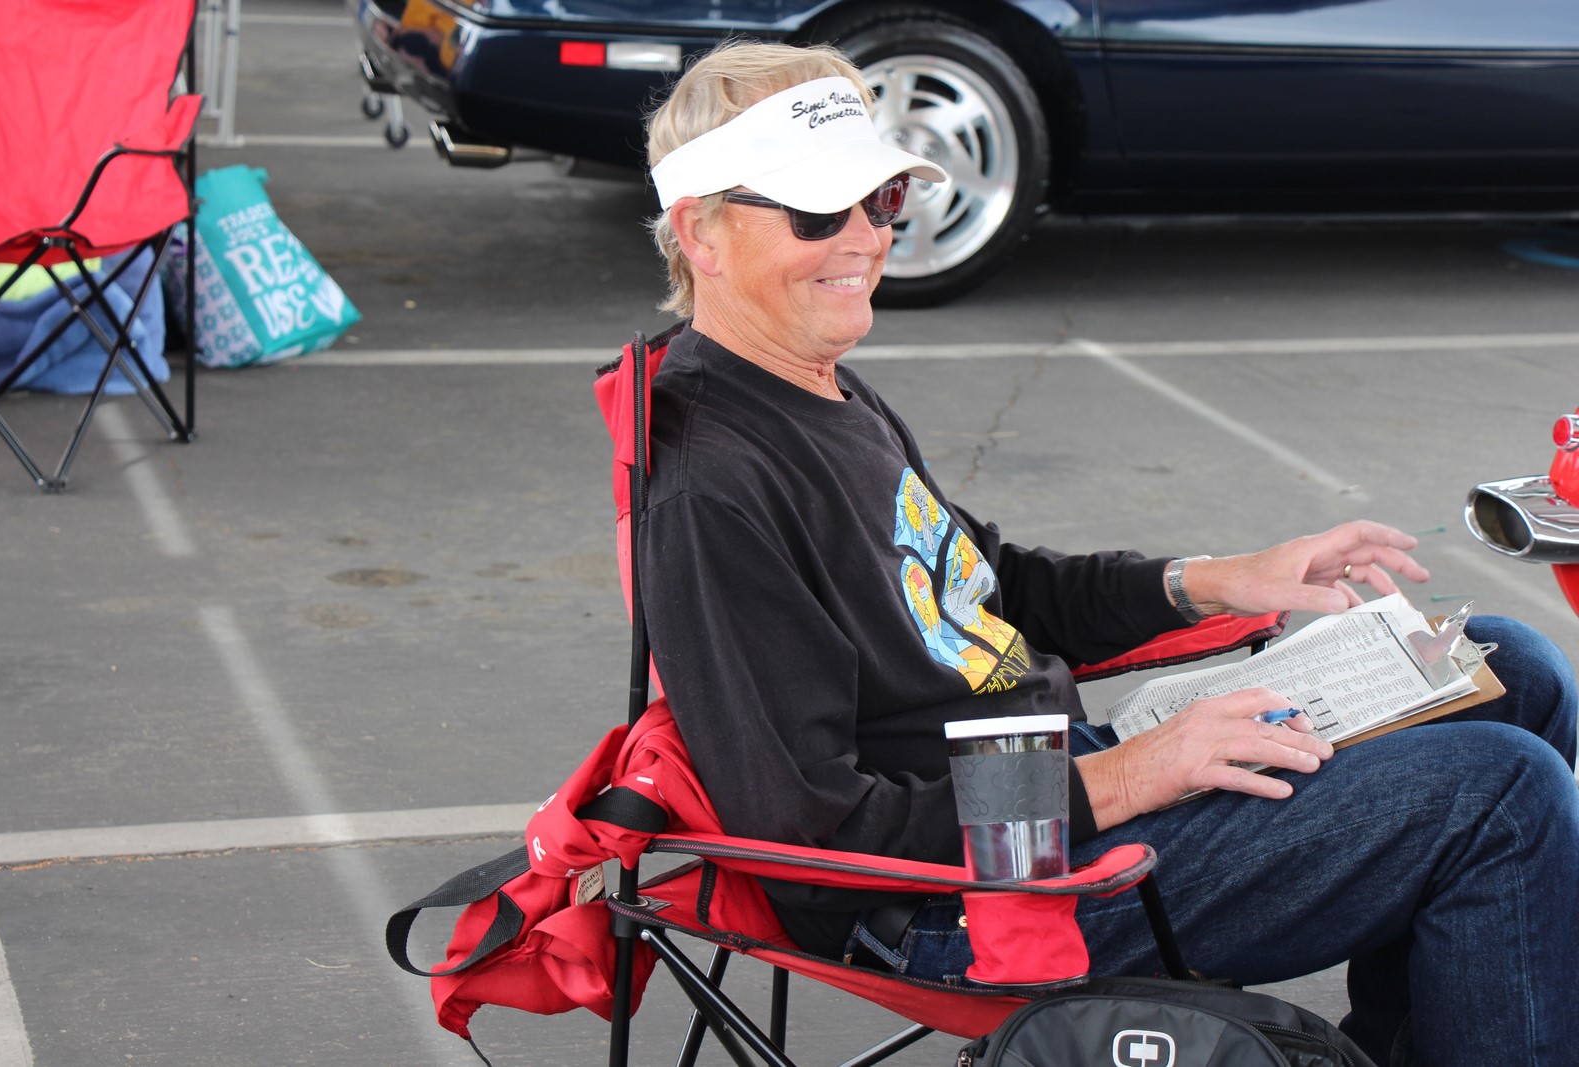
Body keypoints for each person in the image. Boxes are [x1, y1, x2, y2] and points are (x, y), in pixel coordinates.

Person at [636, 39, 1579, 1067]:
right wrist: (1133, 775)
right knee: (1500, 792)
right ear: (704, 234)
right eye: (818, 211)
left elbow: (984, 587)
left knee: (1502, 667)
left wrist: (1220, 578)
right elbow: (821, 837)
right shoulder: (710, 486)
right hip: (968, 888)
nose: (866, 237)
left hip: (1049, 779)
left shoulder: (814, 383)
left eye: (883, 196)